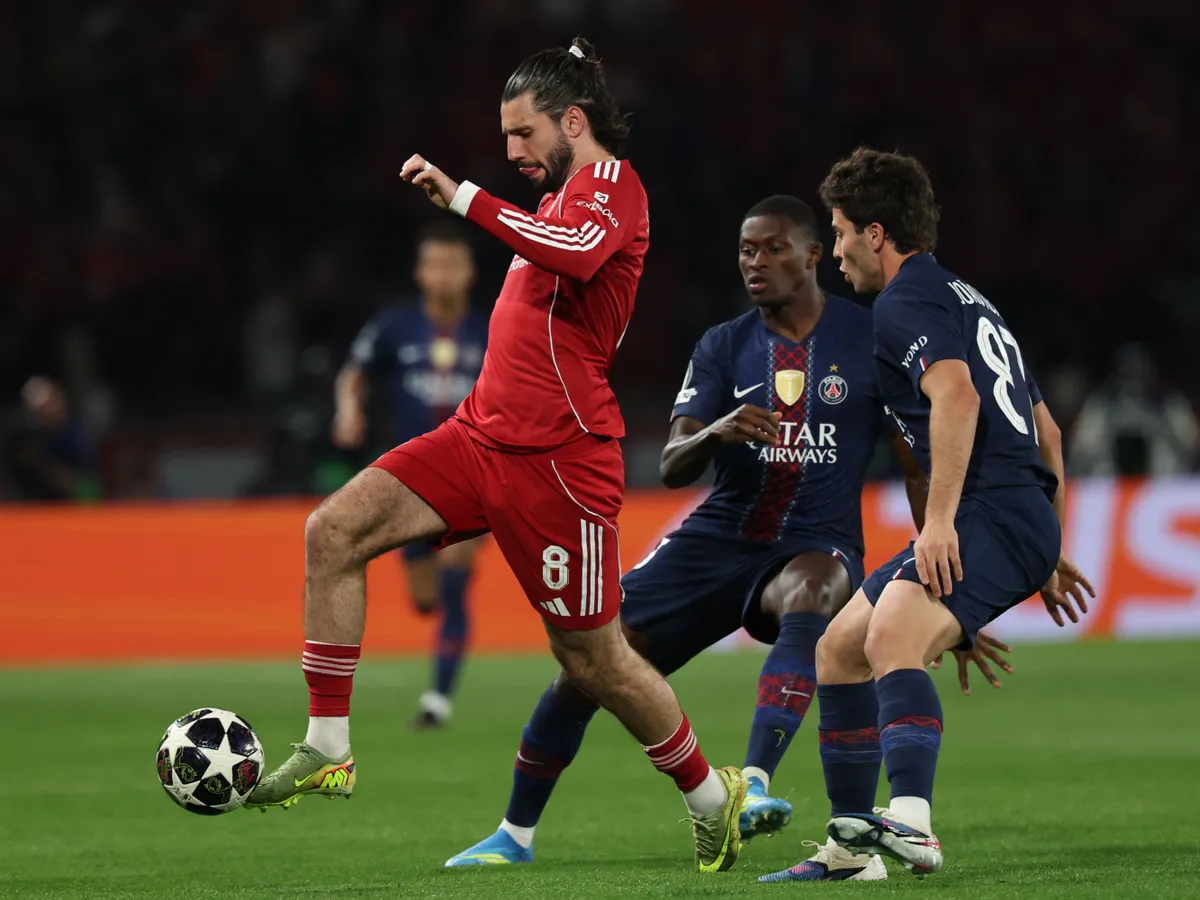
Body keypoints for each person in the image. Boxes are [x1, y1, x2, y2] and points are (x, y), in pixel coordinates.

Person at [247, 38, 747, 874]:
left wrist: (463, 195)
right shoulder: (556, 197)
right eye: (505, 137)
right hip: (479, 436)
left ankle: (708, 795)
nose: (512, 152)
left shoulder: (614, 190)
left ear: (573, 122)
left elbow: (582, 256)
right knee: (332, 531)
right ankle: (327, 745)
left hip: (562, 461)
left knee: (593, 659)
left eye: (523, 134)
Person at [445, 196, 1010, 870]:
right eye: (746, 250)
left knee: (814, 588)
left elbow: (917, 463)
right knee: (593, 662)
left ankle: (757, 782)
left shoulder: (870, 338)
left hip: (814, 539)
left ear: (811, 254)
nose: (756, 262)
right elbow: (672, 463)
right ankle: (515, 833)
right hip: (715, 542)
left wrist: (942, 582)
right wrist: (717, 430)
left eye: (772, 248)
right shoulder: (723, 344)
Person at [760, 148, 1094, 882]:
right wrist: (1042, 541)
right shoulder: (967, 297)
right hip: (1011, 515)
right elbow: (1049, 433)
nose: (836, 250)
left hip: (989, 511)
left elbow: (959, 398)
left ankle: (911, 822)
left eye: (842, 231)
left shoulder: (904, 303)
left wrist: (943, 526)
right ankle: (852, 854)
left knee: (889, 635)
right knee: (838, 649)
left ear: (877, 234)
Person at [333, 222, 489, 730]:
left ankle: (438, 701)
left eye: (454, 265)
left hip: (475, 473)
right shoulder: (395, 327)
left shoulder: (493, 329)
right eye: (435, 265)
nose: (444, 275)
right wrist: (348, 411)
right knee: (425, 600)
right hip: (411, 480)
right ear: (421, 273)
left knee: (455, 583)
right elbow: (353, 372)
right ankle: (439, 667)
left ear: (470, 273)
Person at [6, 376, 98, 502]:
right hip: (33, 512)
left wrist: (41, 464)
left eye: (46, 406)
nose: (43, 414)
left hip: (72, 512)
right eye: (36, 410)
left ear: (59, 401)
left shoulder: (77, 436)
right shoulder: (26, 440)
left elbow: (88, 490)